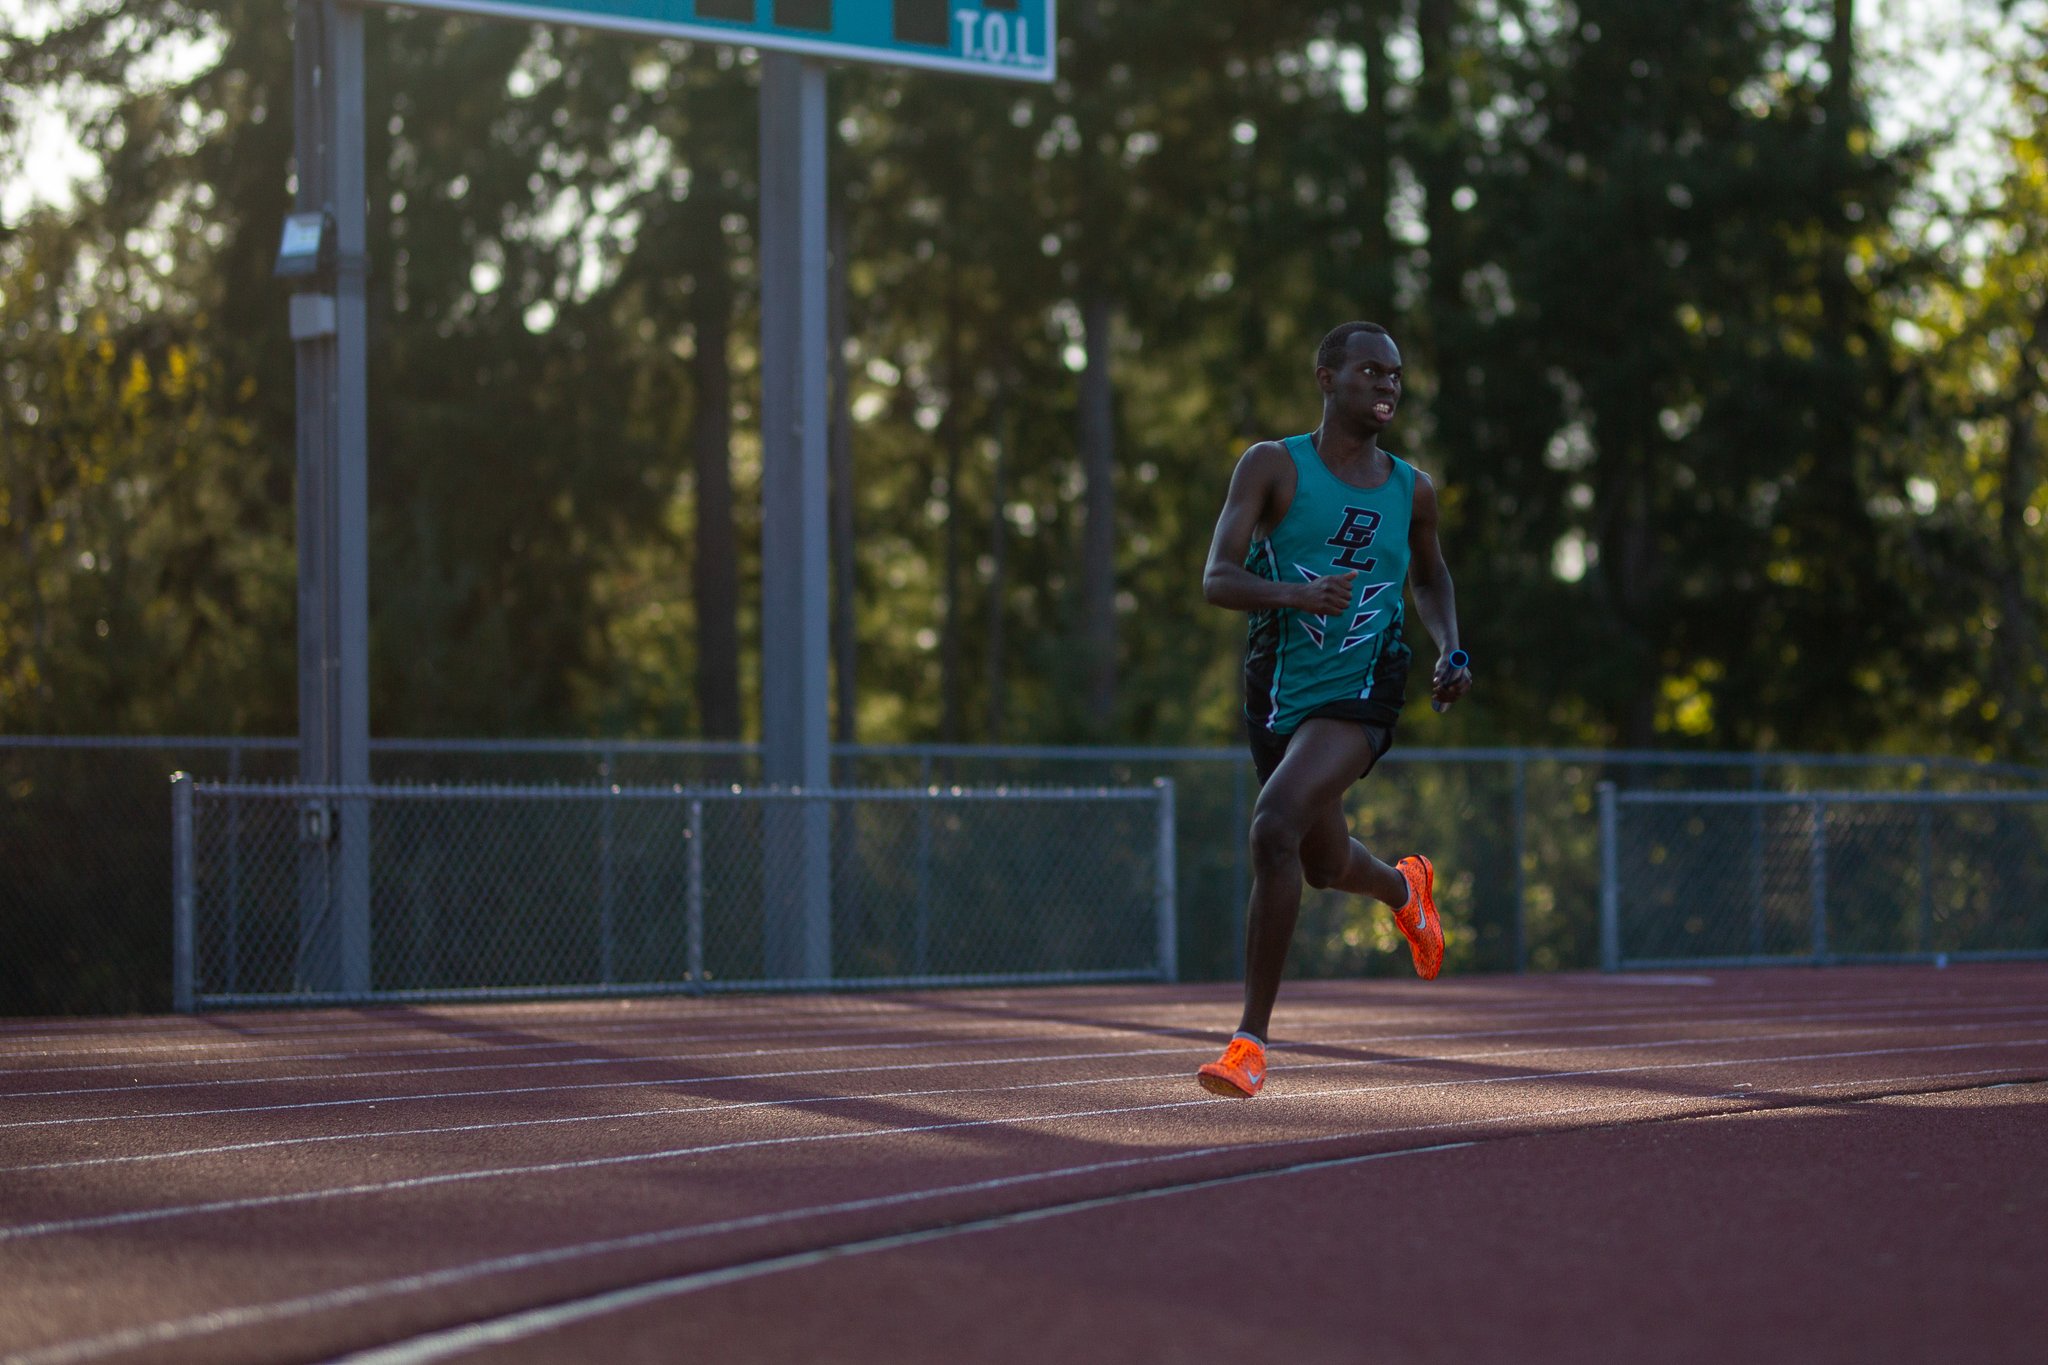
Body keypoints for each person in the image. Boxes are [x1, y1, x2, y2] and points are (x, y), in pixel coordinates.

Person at [1195, 320, 1470, 1099]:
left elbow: (1431, 576)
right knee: (1319, 863)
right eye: (1369, 372)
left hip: (1365, 684)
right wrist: (1294, 593)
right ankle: (1404, 889)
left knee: (1272, 823)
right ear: (1326, 378)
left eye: (1395, 375)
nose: (1387, 385)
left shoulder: (1411, 487)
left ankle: (1249, 1041)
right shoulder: (1273, 466)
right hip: (1278, 686)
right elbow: (1218, 577)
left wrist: (1451, 647)